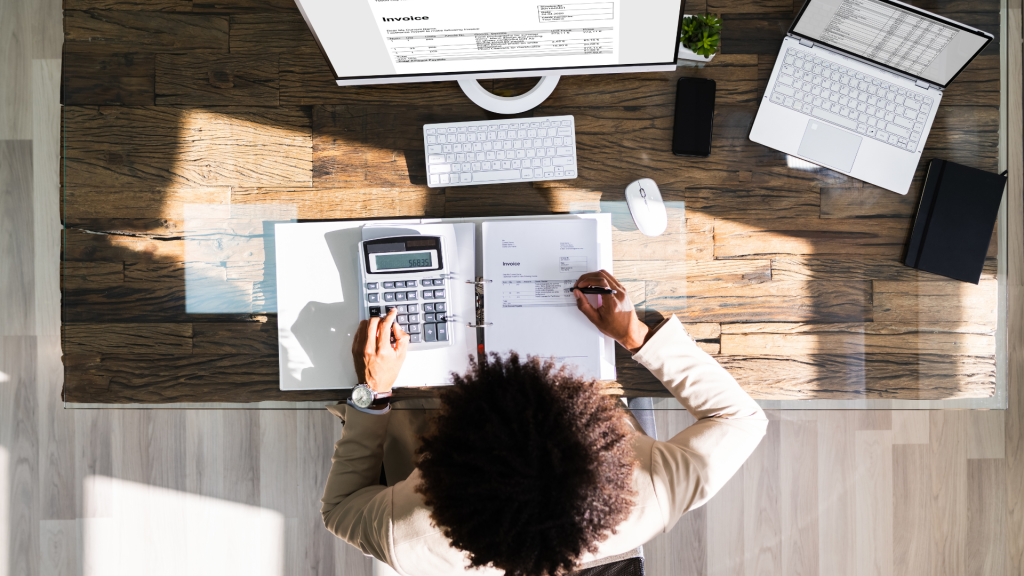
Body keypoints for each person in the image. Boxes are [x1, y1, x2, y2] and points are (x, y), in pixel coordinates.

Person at [321, 270, 767, 576]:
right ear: (611, 453)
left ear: (438, 472)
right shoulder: (648, 489)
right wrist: (636, 336)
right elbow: (742, 419)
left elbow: (340, 507)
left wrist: (372, 394)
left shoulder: (411, 533)